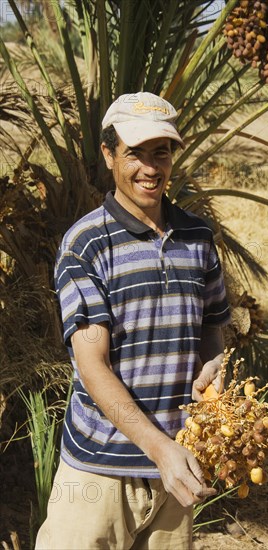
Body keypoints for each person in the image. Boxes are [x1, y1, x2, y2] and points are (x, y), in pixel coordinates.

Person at [35, 92, 231, 550]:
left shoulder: (197, 237)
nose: (149, 168)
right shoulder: (87, 244)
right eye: (134, 154)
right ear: (108, 154)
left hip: (178, 463)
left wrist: (212, 369)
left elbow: (212, 325)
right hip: (101, 468)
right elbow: (92, 365)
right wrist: (158, 448)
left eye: (160, 153)